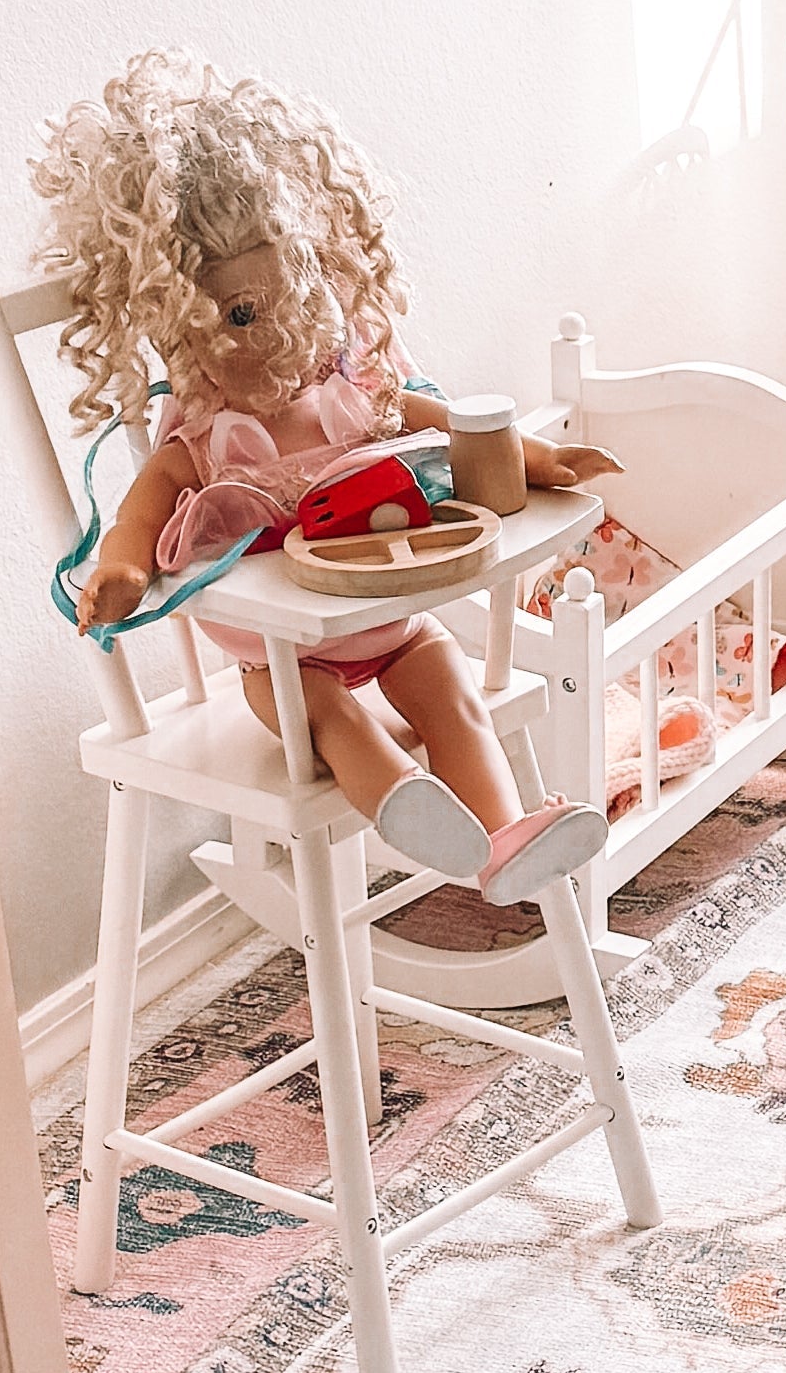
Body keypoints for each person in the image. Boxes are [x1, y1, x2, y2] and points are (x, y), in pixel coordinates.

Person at [32, 47, 604, 894]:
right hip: (283, 659)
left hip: (390, 622)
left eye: (287, 298)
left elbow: (450, 428)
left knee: (449, 687)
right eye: (236, 316)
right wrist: (117, 569)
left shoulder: (354, 391)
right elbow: (139, 515)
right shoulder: (206, 440)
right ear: (177, 325)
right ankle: (405, 804)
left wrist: (542, 459)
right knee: (329, 719)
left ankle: (499, 837)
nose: (266, 336)